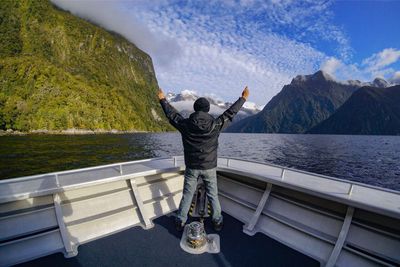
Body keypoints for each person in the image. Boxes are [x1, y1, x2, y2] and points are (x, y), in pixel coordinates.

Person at [158, 86, 249, 231]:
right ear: (207, 110)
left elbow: (172, 115)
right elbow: (230, 113)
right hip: (209, 167)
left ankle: (180, 221)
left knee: (187, 195)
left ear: (195, 109)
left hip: (192, 167)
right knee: (213, 195)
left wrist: (162, 99)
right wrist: (243, 98)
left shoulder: (185, 124)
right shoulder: (215, 124)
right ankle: (217, 221)